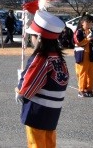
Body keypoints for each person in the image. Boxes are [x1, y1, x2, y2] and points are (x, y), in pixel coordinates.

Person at [16, 10, 69, 148]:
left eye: (32, 35)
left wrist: (20, 88)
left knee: (36, 143)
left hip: (38, 109)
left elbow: (30, 82)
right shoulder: (58, 58)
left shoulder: (41, 57)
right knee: (49, 142)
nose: (30, 38)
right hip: (53, 110)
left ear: (38, 38)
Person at [73, 14, 93, 97]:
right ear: (82, 23)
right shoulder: (79, 31)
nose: (89, 24)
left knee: (91, 73)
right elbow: (78, 42)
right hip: (82, 54)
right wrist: (88, 38)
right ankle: (81, 90)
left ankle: (89, 90)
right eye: (87, 22)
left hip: (92, 54)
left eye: (91, 23)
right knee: (82, 72)